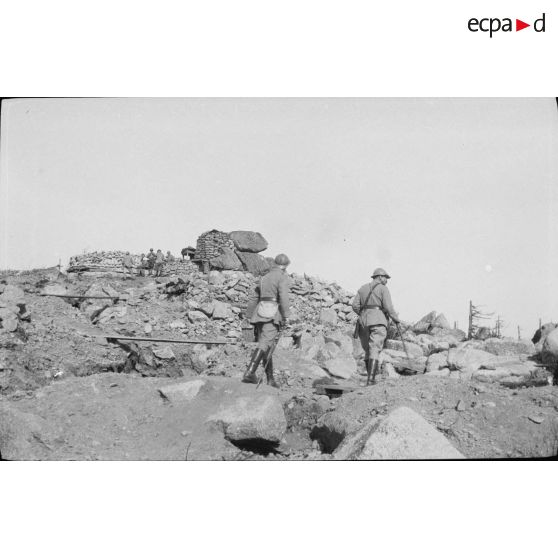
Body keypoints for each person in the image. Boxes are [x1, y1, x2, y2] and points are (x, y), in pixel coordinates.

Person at [242, 253, 291, 388]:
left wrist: (249, 315)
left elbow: (254, 297)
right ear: (285, 266)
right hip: (272, 314)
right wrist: (286, 315)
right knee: (265, 343)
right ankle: (250, 372)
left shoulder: (264, 277)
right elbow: (283, 297)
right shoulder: (282, 277)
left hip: (259, 313)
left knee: (267, 345)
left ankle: (270, 379)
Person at [352, 267, 400, 386]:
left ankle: (370, 378)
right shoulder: (383, 288)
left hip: (363, 322)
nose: (386, 280)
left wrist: (364, 314)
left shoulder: (362, 288)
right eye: (385, 278)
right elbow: (388, 307)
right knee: (374, 348)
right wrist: (396, 319)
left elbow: (355, 306)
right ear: (380, 277)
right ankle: (371, 381)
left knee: (367, 350)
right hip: (378, 321)